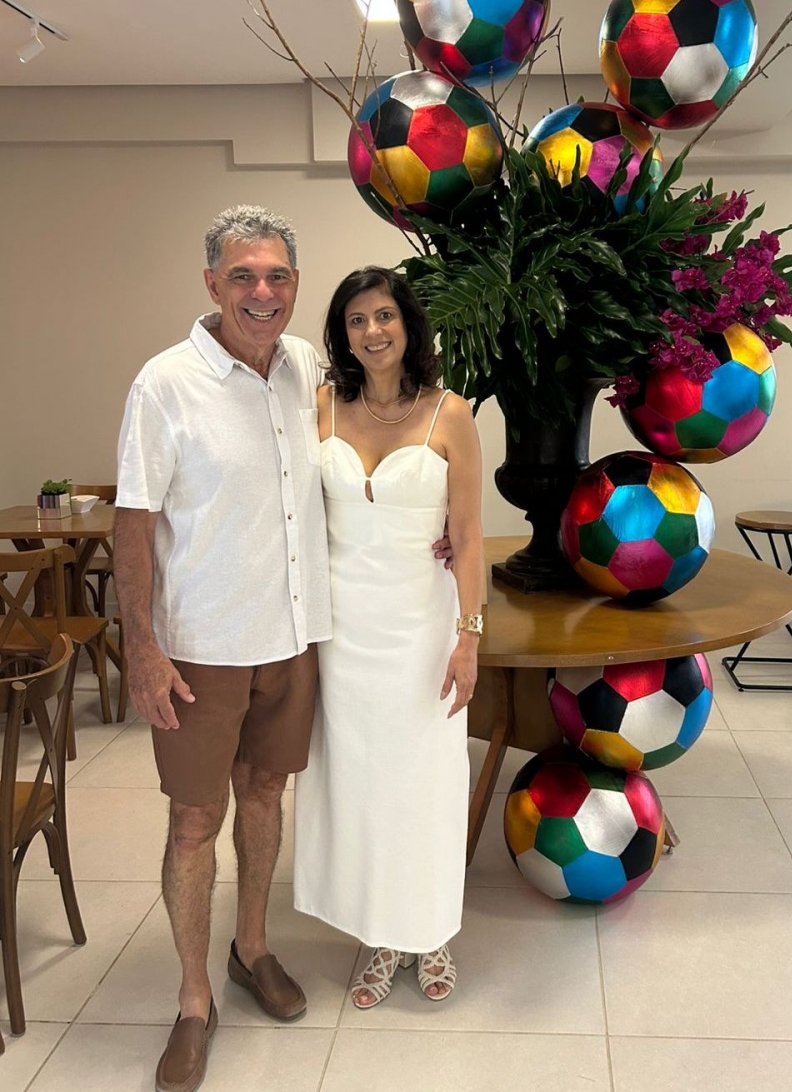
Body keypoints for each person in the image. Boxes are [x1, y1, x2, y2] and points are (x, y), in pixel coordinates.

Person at [115, 209, 451, 1092]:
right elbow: (133, 524)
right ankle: (193, 1001)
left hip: (296, 640)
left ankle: (252, 949)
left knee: (265, 797)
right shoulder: (165, 384)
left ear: (295, 285)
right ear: (212, 284)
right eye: (243, 276)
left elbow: (374, 450)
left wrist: (430, 525)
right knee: (195, 823)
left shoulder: (306, 369)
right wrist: (140, 647)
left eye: (277, 276)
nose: (261, 292)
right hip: (202, 647)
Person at [293, 266, 484, 1007]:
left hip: (420, 628)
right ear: (342, 335)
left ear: (408, 326)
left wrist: (468, 637)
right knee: (361, 784)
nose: (372, 332)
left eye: (384, 317)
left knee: (424, 782)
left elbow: (467, 538)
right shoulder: (320, 408)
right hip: (342, 633)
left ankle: (430, 930)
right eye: (356, 320)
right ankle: (379, 932)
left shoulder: (449, 414)